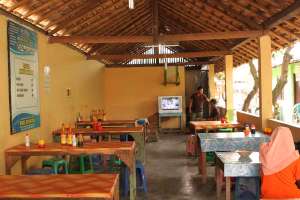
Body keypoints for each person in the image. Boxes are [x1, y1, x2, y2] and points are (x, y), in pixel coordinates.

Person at [260, 127, 300, 198]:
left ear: (273, 137)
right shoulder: (295, 158)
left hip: (268, 195)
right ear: (290, 138)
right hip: (291, 195)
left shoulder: (264, 153)